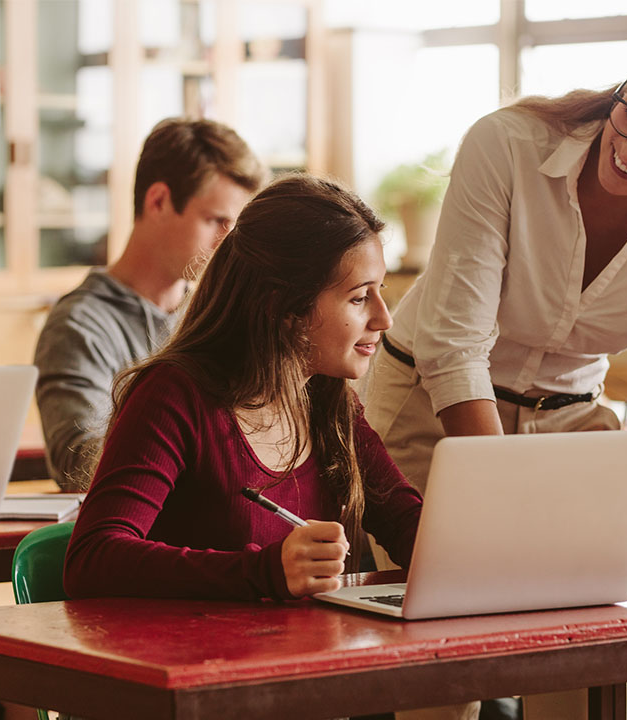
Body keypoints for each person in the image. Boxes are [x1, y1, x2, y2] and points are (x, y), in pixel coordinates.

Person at [361, 24, 627, 720]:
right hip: (429, 407)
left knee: (580, 655)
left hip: (566, 424)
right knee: (442, 663)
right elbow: (455, 348)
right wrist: (495, 495)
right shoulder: (507, 144)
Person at [64, 174, 422, 605]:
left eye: (380, 292)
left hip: (300, 644)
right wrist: (263, 571)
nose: (384, 319)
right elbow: (91, 560)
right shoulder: (172, 396)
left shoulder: (330, 402)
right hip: (194, 646)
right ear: (283, 305)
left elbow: (408, 525)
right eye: (360, 298)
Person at [34, 117, 267, 491]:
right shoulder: (78, 326)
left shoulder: (220, 315)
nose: (228, 242)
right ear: (158, 201)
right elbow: (79, 465)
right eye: (215, 220)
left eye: (234, 226)